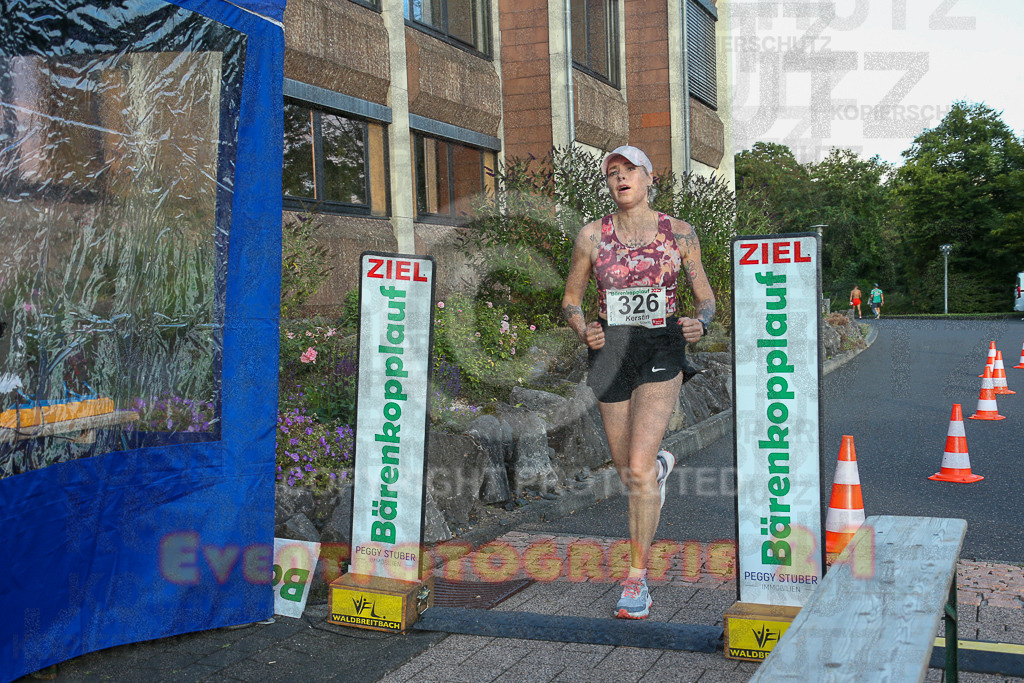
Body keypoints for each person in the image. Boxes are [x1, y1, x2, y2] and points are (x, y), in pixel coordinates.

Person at [561, 145, 715, 619]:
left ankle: (636, 579)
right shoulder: (592, 236)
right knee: (630, 471)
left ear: (649, 178)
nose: (620, 179)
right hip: (610, 352)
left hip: (661, 346)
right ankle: (659, 471)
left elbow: (704, 296)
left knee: (639, 467)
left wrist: (701, 323)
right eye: (612, 173)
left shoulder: (680, 234)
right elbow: (571, 298)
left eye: (629, 171)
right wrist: (581, 327)